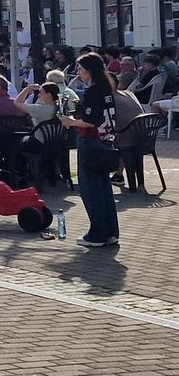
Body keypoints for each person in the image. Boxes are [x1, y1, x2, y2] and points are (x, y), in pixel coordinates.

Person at [60, 52, 120, 247]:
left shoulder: (93, 92)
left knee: (91, 190)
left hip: (91, 142)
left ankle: (97, 234)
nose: (78, 72)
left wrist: (70, 122)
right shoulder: (107, 90)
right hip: (106, 140)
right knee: (104, 189)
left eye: (80, 68)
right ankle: (110, 231)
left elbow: (89, 121)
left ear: (90, 70)